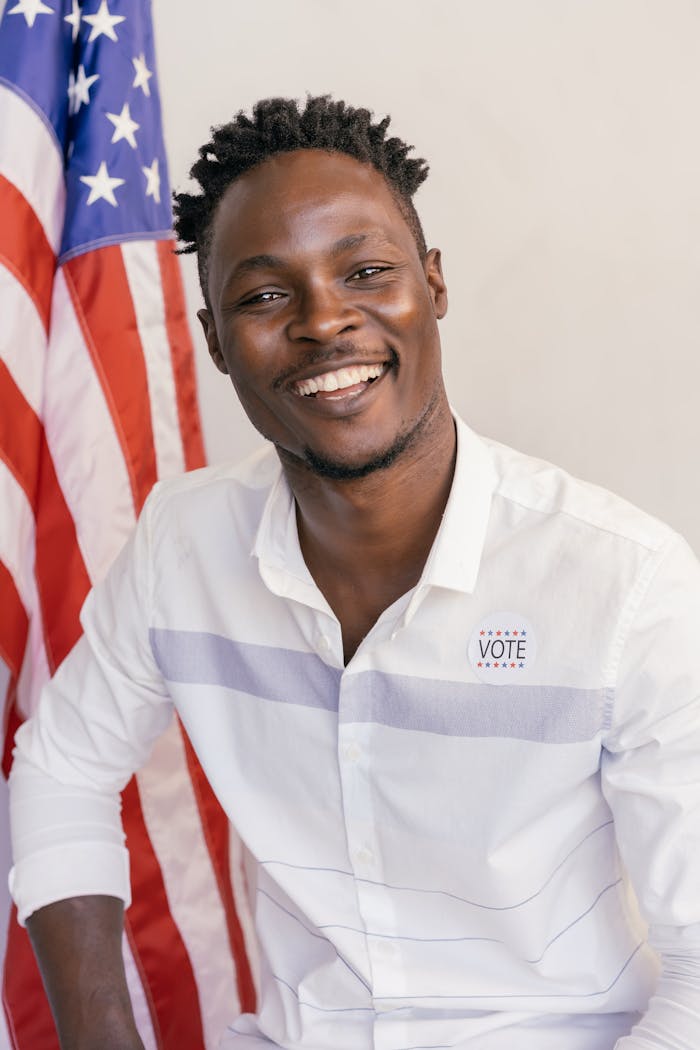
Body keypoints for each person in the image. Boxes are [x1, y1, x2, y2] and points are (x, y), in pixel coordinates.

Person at [8, 95, 700, 1050]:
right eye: (264, 295)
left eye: (366, 272)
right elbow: (58, 771)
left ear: (433, 284)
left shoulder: (628, 585)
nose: (325, 321)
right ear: (214, 340)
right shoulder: (184, 545)